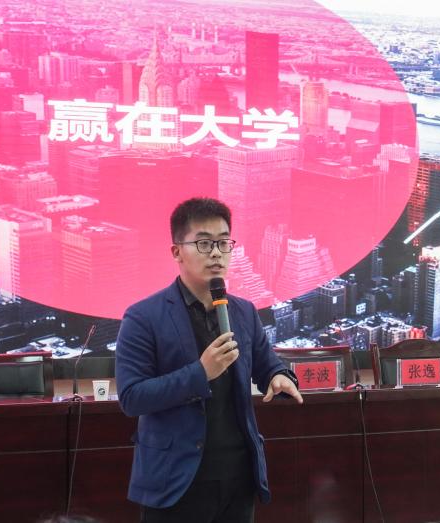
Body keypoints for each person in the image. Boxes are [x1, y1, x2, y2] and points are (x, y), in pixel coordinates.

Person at [116, 197, 303, 523]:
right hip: (175, 480)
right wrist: (200, 373)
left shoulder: (243, 311)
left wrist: (279, 376)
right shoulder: (143, 317)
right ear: (177, 252)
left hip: (238, 477)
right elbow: (132, 397)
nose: (216, 253)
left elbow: (266, 364)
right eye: (204, 243)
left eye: (223, 243)